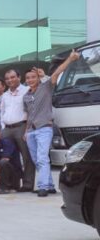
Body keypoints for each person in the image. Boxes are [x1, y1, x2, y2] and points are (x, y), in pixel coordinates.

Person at [24, 51, 78, 197]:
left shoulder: (46, 87)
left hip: (44, 129)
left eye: (33, 77)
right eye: (28, 78)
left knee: (42, 158)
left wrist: (70, 59)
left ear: (38, 78)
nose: (30, 80)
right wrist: (26, 131)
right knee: (37, 160)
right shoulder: (26, 96)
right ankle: (49, 185)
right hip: (31, 131)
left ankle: (43, 187)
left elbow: (58, 72)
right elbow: (28, 115)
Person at [0, 68, 36, 192]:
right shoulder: (5, 95)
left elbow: (31, 111)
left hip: (22, 127)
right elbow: (2, 112)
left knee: (27, 157)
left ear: (19, 77)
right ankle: (13, 183)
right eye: (7, 78)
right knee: (9, 157)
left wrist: (28, 129)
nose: (10, 80)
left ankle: (27, 184)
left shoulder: (27, 90)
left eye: (12, 77)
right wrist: (3, 128)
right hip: (7, 129)